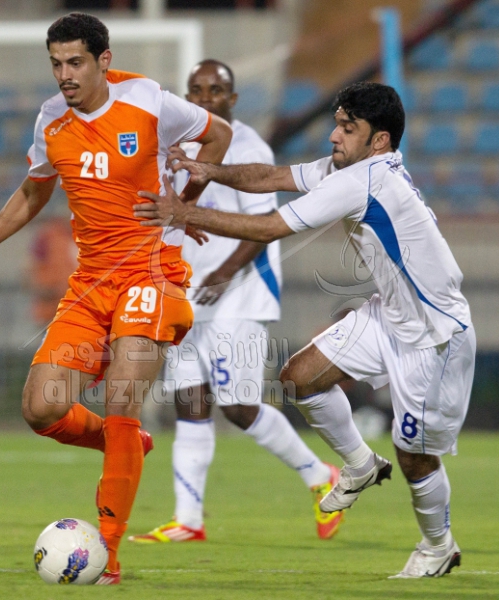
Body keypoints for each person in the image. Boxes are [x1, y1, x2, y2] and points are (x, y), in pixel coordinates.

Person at [134, 81, 476, 579]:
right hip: (390, 315)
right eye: (337, 124)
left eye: (348, 128)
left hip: (435, 335)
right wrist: (209, 170)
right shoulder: (348, 169)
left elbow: (271, 227)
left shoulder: (365, 180)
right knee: (299, 378)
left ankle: (438, 546)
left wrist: (183, 212)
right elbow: (272, 176)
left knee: (415, 458)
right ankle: (359, 464)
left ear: (379, 140)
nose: (335, 135)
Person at [0, 13, 232, 585]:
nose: (65, 75)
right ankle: (128, 445)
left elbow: (217, 134)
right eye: (56, 64)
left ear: (103, 60)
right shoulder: (51, 119)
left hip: (152, 274)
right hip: (91, 283)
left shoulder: (147, 100)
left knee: (122, 397)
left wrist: (186, 203)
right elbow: (32, 193)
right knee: (41, 408)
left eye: (75, 62)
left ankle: (109, 553)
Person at [128, 60, 344, 545]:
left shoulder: (248, 147)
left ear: (232, 98)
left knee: (238, 406)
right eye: (196, 90)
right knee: (189, 401)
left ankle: (320, 475)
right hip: (185, 293)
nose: (205, 97)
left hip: (240, 295)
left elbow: (266, 227)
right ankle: (188, 520)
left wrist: (225, 273)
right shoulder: (175, 146)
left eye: (215, 89)